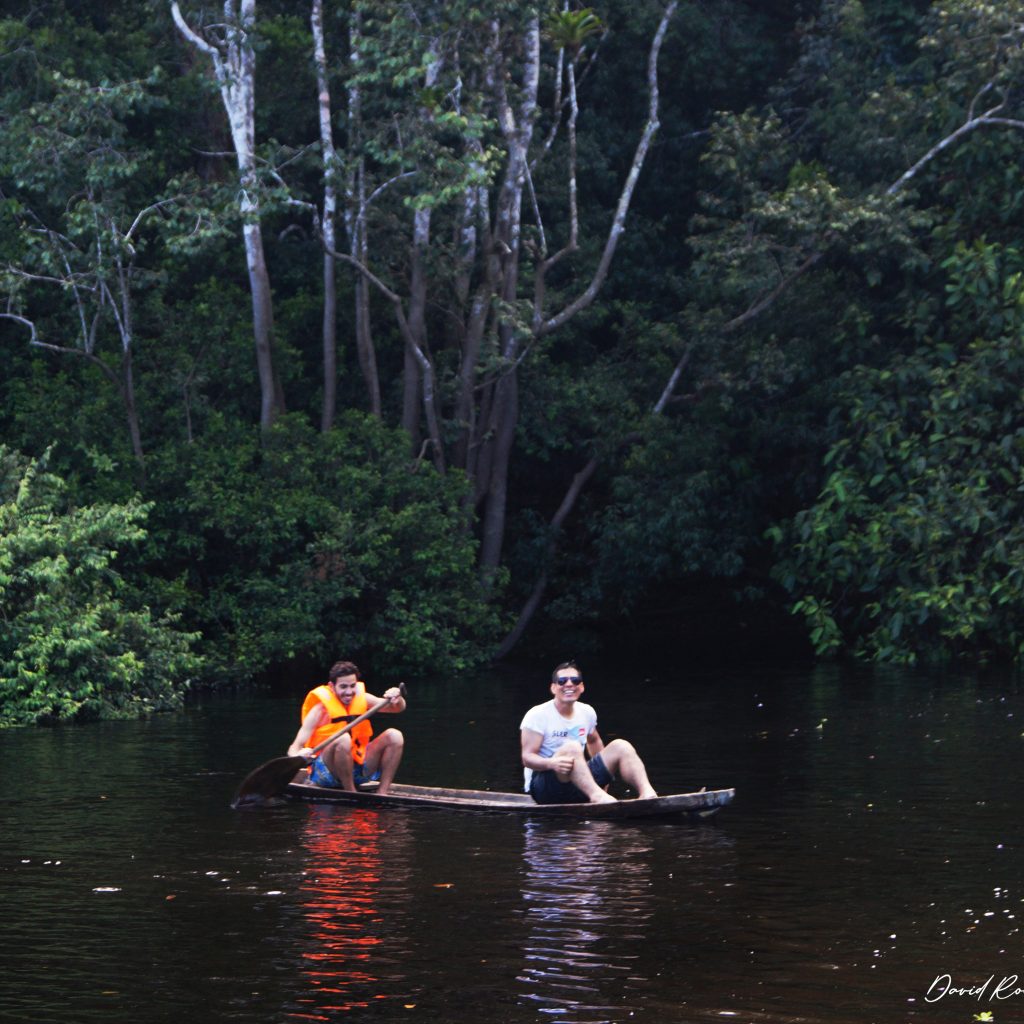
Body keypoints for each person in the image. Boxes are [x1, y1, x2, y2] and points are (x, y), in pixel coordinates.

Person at [520, 661, 658, 805]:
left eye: (575, 680)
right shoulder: (537, 715)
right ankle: (596, 796)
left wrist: (604, 780)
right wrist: (552, 763)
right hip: (545, 788)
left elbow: (594, 741)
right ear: (553, 688)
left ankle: (648, 795)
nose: (569, 684)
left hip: (579, 783)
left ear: (581, 687)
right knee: (572, 748)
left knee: (621, 746)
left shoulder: (587, 712)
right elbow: (527, 758)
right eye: (562, 681)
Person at [288, 660, 406, 795]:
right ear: (332, 686)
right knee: (343, 738)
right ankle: (351, 793)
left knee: (395, 735)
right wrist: (300, 755)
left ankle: (382, 793)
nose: (349, 692)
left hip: (359, 769)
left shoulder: (363, 699)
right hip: (326, 774)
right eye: (343, 687)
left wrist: (398, 699)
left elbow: (397, 708)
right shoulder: (319, 710)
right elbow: (294, 748)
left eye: (352, 686)